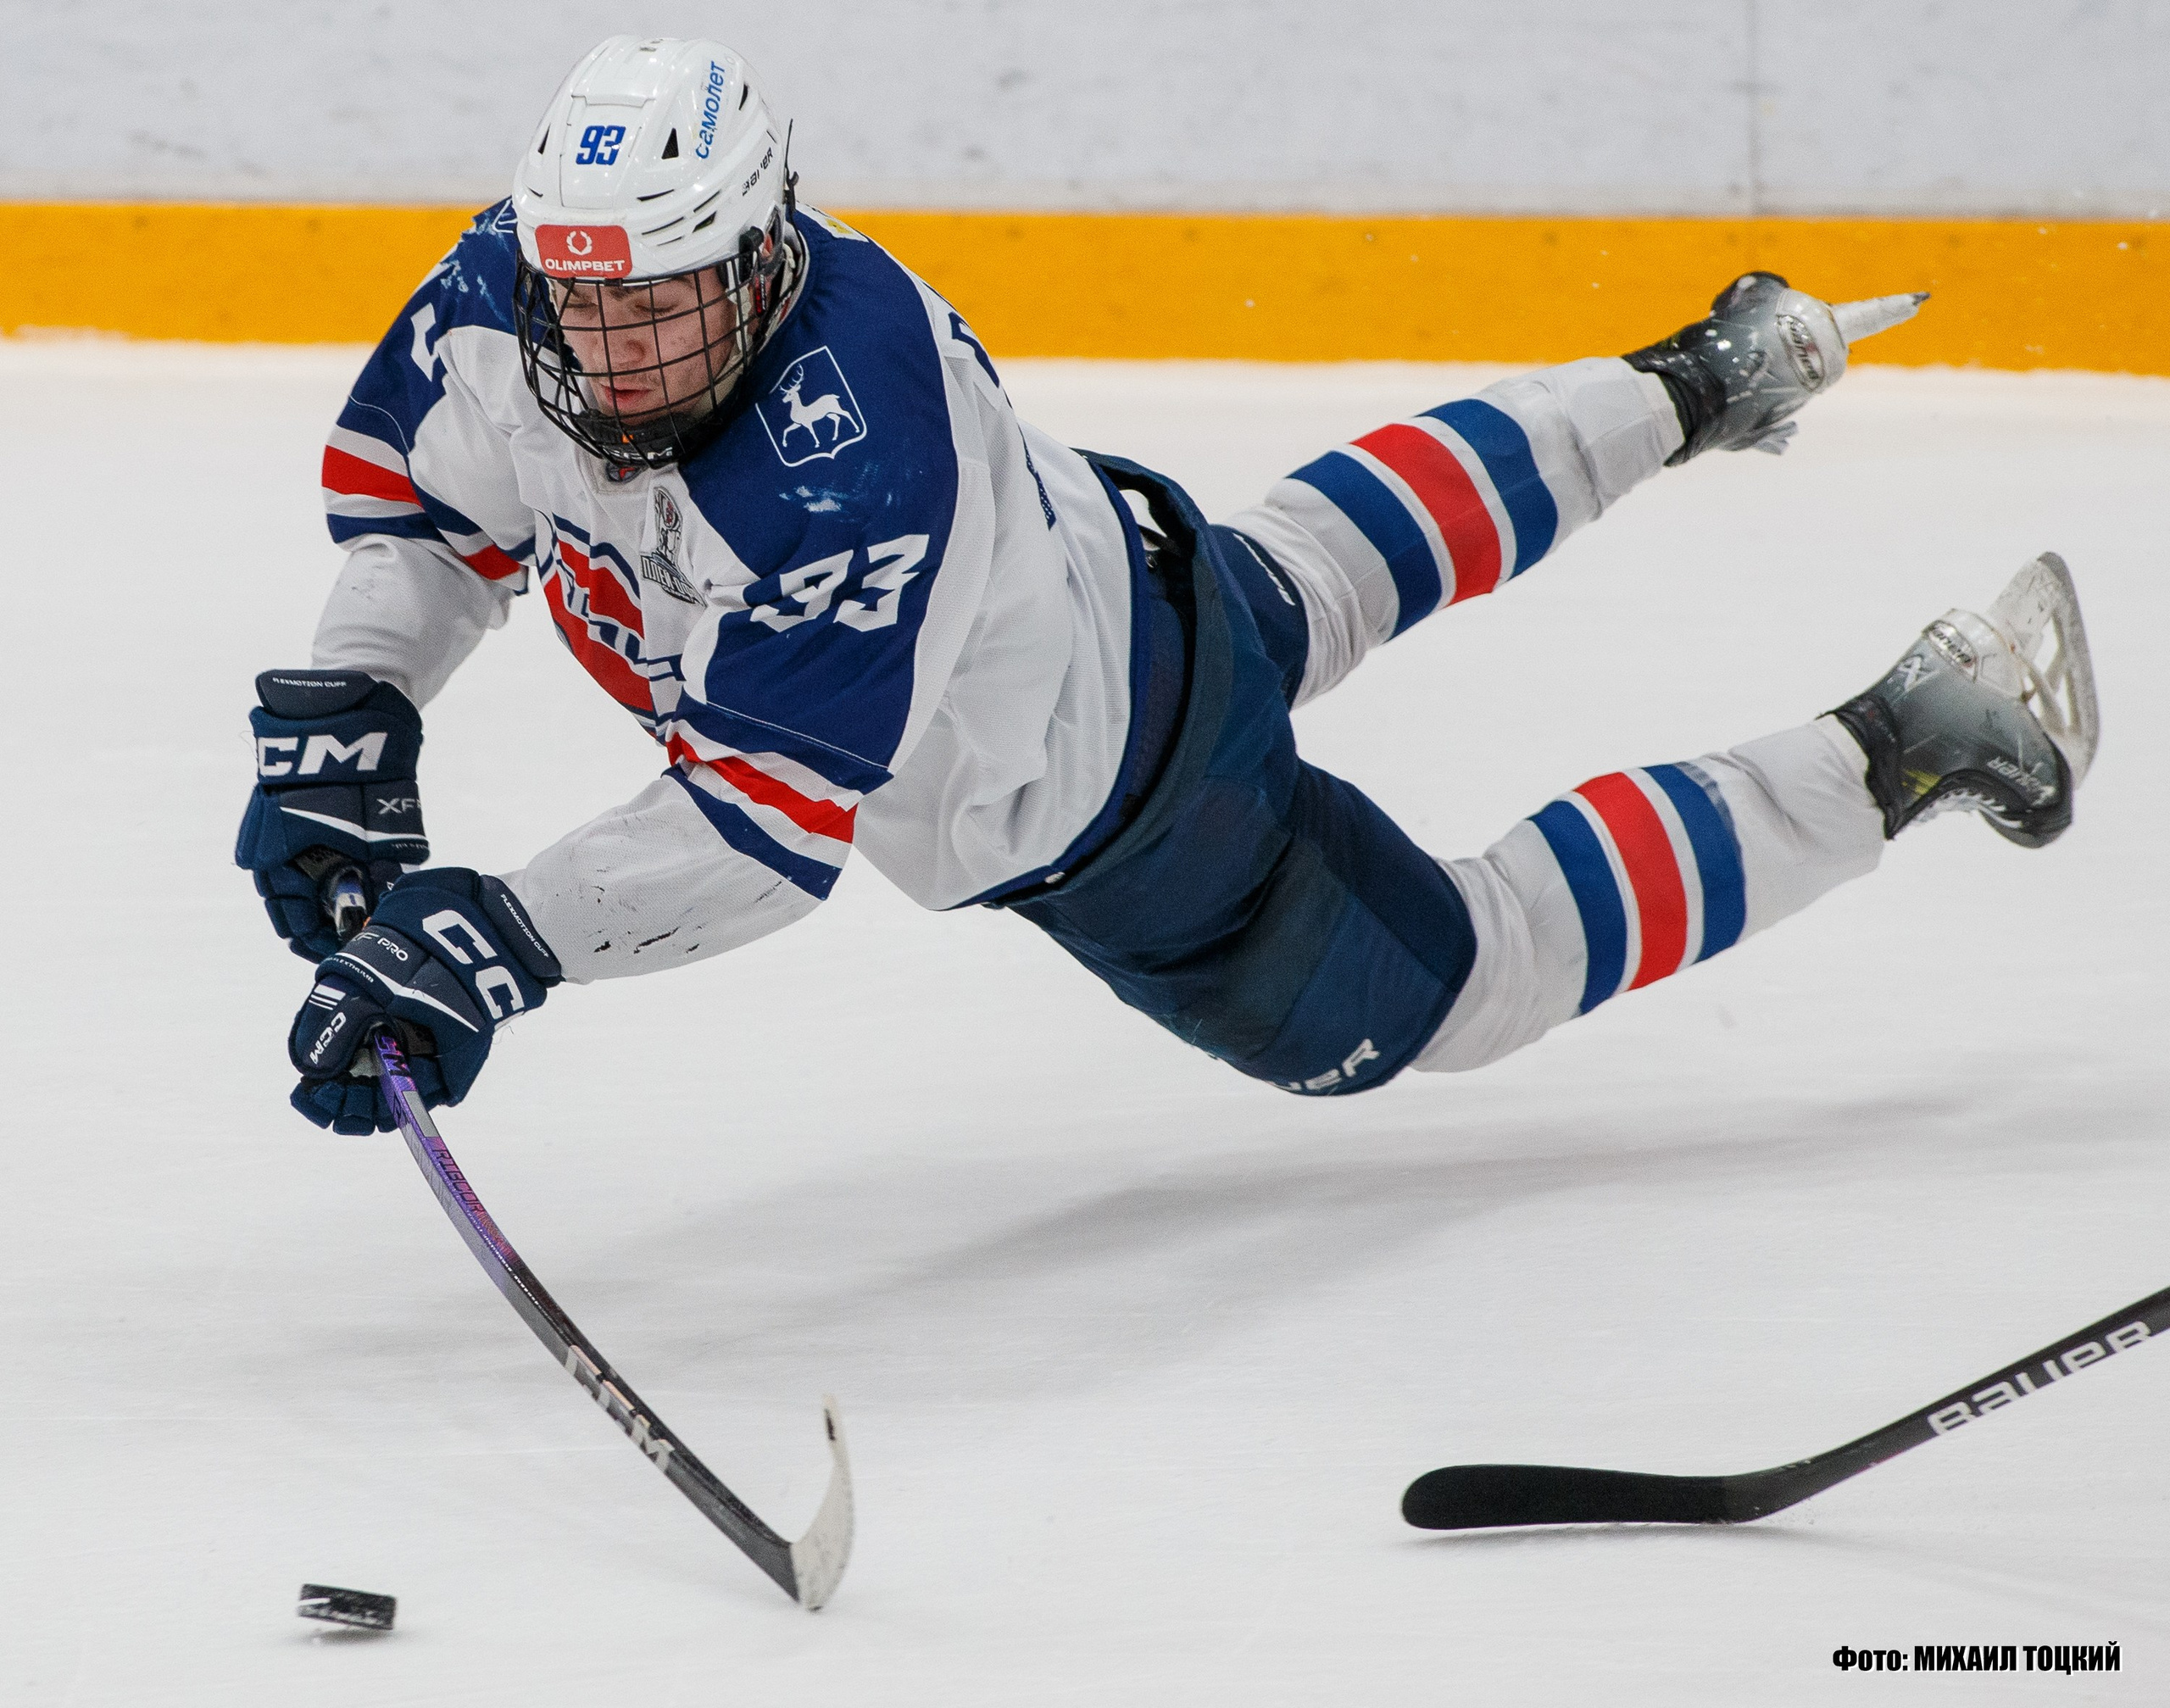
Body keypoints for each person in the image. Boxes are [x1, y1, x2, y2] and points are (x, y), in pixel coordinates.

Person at [242, 36, 2100, 1133]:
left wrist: (507, 936)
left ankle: (1902, 741)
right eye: (580, 294)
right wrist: (357, 697)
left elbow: (754, 828)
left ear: (755, 254)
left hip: (1125, 805)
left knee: (1450, 988)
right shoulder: (515, 287)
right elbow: (423, 509)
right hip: (1123, 576)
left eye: (653, 299)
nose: (606, 343)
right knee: (1295, 576)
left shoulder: (841, 459)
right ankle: (1706, 375)